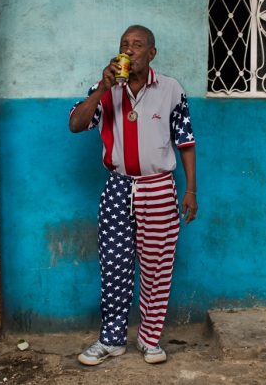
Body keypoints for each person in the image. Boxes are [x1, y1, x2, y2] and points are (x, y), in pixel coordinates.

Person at [69, 25, 197, 365]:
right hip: (118, 187)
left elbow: (185, 141)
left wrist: (191, 191)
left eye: (138, 45)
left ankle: (149, 338)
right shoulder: (105, 88)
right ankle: (111, 339)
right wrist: (101, 90)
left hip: (157, 187)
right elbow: (76, 124)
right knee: (114, 266)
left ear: (151, 53)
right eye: (125, 44)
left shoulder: (171, 89)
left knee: (157, 267)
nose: (130, 49)